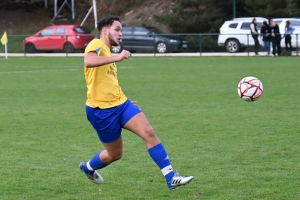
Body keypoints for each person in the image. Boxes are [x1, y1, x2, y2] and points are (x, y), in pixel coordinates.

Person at [79, 15, 194, 190]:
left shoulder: (108, 51)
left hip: (121, 104)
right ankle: (88, 168)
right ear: (104, 30)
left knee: (148, 132)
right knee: (115, 154)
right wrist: (117, 58)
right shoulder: (97, 44)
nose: (120, 34)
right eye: (117, 29)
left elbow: (107, 83)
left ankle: (171, 177)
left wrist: (121, 99)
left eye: (121, 31)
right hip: (101, 111)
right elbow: (88, 61)